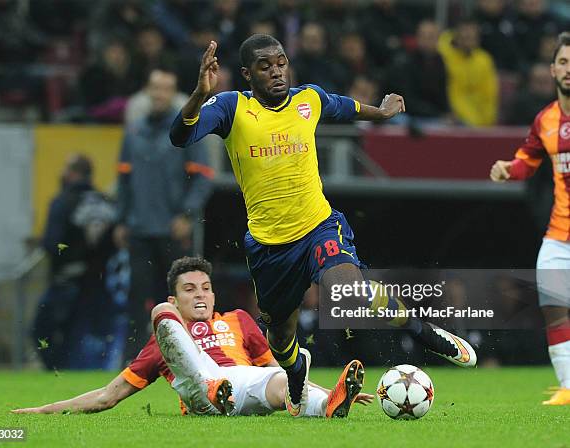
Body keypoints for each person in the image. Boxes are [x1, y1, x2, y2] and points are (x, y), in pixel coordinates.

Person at [169, 34, 477, 417]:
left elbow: (345, 106)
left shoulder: (307, 99)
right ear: (248, 74)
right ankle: (297, 372)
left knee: (348, 290)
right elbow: (179, 137)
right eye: (265, 66)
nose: (277, 71)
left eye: (281, 62)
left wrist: (380, 113)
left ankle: (420, 330)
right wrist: (200, 93)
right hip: (269, 245)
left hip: (319, 226)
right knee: (280, 337)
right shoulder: (231, 107)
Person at [13, 257, 370, 417]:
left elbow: (287, 373)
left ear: (214, 295)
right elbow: (109, 396)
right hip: (201, 394)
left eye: (206, 288)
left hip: (241, 388)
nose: (200, 295)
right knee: (159, 317)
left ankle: (329, 407)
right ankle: (210, 387)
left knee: (278, 380)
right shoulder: (163, 341)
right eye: (189, 289)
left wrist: (328, 390)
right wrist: (44, 410)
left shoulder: (239, 320)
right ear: (176, 298)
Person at [490, 32, 570, 406]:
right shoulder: (546, 120)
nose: (569, 70)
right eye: (564, 62)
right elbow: (528, 161)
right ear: (553, 69)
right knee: (554, 309)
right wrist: (510, 168)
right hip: (559, 234)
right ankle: (568, 388)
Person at [115, 69, 214, 363]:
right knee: (137, 299)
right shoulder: (133, 132)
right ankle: (132, 362)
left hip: (173, 230)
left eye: (165, 89)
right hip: (139, 229)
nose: (159, 94)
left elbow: (204, 178)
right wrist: (121, 219)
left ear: (174, 94)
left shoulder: (187, 129)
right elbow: (123, 179)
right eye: (155, 88)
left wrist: (186, 214)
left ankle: (188, 358)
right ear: (148, 92)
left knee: (180, 298)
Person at [32, 155, 117, 370]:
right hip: (100, 283)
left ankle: (56, 370)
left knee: (41, 330)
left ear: (72, 173)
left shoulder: (63, 201)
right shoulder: (106, 202)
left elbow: (52, 243)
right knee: (82, 337)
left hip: (66, 281)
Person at [438, 19, 499, 127]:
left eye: (472, 37)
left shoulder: (484, 60)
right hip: (456, 119)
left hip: (481, 121)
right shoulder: (445, 57)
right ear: (456, 37)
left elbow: (490, 94)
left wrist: (489, 121)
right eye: (464, 37)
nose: (468, 41)